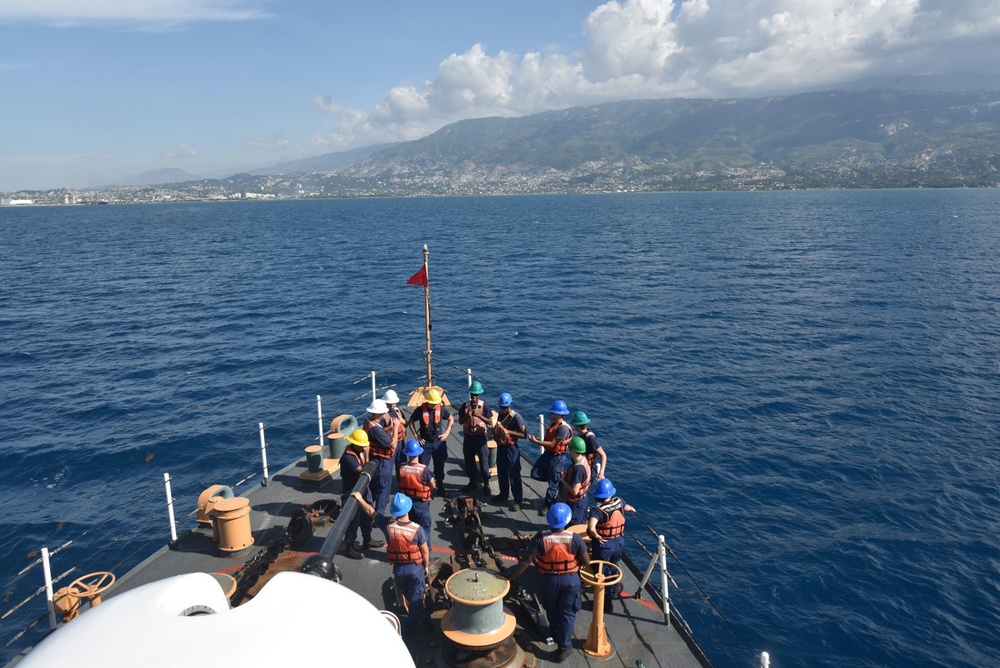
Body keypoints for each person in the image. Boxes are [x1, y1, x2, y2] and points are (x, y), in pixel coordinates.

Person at [504, 502, 590, 663]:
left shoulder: (540, 539)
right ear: (567, 521)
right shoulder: (575, 539)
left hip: (549, 580)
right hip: (570, 581)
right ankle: (564, 647)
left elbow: (525, 561)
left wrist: (509, 577)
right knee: (568, 613)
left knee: (551, 609)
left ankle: (556, 631)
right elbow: (586, 561)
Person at [353, 491, 430, 637]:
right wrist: (425, 566)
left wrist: (359, 499)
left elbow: (370, 511)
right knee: (416, 598)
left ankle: (416, 612)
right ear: (408, 508)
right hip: (415, 569)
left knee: (406, 592)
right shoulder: (417, 529)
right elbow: (425, 551)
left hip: (398, 569)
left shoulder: (388, 525)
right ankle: (412, 627)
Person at [586, 478, 635, 603]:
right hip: (618, 542)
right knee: (614, 564)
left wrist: (596, 536)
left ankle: (606, 600)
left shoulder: (597, 511)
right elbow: (630, 508)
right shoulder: (619, 501)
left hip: (604, 546)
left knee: (602, 572)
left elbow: (591, 528)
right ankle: (615, 587)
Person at [338, 429, 385, 559]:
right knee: (352, 520)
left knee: (366, 517)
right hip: (351, 493)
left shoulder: (359, 451)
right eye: (362, 445)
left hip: (363, 490)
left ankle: (367, 539)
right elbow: (363, 471)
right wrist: (368, 453)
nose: (365, 447)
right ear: (355, 444)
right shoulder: (349, 458)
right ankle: (349, 546)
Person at [527, 400, 574, 515]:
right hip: (548, 454)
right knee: (535, 473)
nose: (550, 414)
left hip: (557, 458)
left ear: (559, 414)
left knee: (553, 483)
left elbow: (553, 444)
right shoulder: (553, 423)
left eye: (553, 412)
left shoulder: (563, 429)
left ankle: (547, 504)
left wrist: (536, 442)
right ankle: (555, 482)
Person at [407, 388, 454, 499]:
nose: (434, 405)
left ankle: (440, 487)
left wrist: (447, 432)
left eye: (435, 403)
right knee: (423, 467)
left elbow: (451, 419)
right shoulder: (420, 410)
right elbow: (411, 421)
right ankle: (426, 488)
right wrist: (416, 435)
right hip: (425, 444)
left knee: (440, 465)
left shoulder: (441, 409)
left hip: (438, 443)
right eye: (432, 403)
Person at [491, 392, 527, 511]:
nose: (502, 409)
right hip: (501, 447)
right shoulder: (501, 415)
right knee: (501, 471)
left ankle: (518, 500)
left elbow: (524, 434)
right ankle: (503, 493)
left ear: (509, 406)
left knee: (514, 473)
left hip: (511, 448)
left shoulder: (516, 417)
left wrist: (509, 432)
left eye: (504, 407)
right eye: (501, 407)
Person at [362, 398, 398, 516]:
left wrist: (388, 429)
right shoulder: (376, 429)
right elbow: (392, 444)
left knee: (374, 487)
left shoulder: (368, 422)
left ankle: (370, 512)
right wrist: (396, 427)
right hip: (381, 462)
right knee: (383, 489)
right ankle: (379, 516)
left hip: (373, 459)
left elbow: (379, 434)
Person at [397, 439, 435, 547]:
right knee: (424, 528)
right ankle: (426, 553)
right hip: (421, 504)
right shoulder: (424, 470)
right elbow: (433, 485)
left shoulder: (401, 468)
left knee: (411, 528)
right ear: (419, 452)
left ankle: (413, 549)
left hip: (407, 504)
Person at [458, 380, 494, 494]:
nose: (474, 398)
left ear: (479, 395)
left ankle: (486, 483)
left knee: (484, 459)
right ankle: (472, 481)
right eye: (472, 395)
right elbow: (460, 420)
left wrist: (479, 415)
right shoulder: (465, 406)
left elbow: (490, 421)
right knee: (469, 460)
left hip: (480, 437)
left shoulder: (485, 406)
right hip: (468, 437)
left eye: (476, 395)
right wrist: (467, 416)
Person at [559, 437, 591, 525]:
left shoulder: (578, 470)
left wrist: (563, 480)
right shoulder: (583, 460)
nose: (569, 450)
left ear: (573, 451)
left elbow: (575, 491)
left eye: (570, 448)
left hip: (576, 505)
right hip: (582, 500)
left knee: (573, 527)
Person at [569, 410, 607, 480]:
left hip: (586, 470)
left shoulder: (591, 439)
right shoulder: (580, 435)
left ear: (577, 426)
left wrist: (601, 473)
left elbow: (603, 455)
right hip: (579, 467)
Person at [381, 389, 409, 477]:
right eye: (391, 403)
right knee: (388, 467)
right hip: (391, 444)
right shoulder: (383, 415)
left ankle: (401, 483)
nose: (393, 405)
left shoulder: (398, 412)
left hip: (401, 443)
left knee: (401, 464)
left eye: (394, 403)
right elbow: (380, 431)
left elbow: (406, 424)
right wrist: (391, 427)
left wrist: (403, 421)